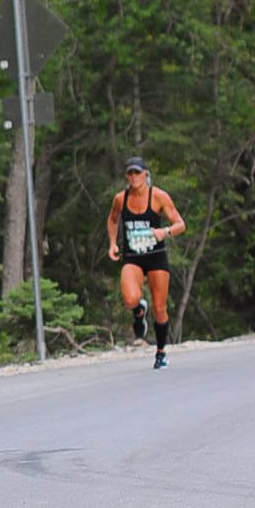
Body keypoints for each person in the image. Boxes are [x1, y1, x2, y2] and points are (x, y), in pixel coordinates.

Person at [106, 158, 185, 369]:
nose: (134, 177)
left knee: (160, 308)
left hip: (156, 256)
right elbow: (113, 219)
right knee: (130, 298)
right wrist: (112, 243)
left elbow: (180, 224)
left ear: (145, 174)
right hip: (132, 257)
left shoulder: (158, 196)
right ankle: (139, 311)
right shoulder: (121, 199)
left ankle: (161, 352)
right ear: (126, 176)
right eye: (130, 173)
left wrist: (165, 231)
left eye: (137, 173)